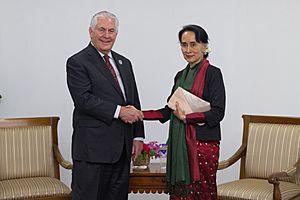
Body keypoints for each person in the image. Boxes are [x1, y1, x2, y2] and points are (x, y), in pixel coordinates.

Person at [66, 11, 144, 200]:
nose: (106, 35)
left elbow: (133, 101)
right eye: (101, 29)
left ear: (116, 34)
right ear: (91, 31)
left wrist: (138, 135)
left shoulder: (124, 63)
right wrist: (119, 112)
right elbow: (83, 100)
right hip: (92, 152)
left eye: (111, 30)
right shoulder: (77, 62)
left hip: (122, 151)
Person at [143, 25, 226, 200]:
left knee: (202, 192)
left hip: (203, 145)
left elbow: (218, 113)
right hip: (180, 144)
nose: (188, 50)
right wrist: (140, 114)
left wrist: (187, 118)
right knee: (182, 195)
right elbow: (169, 110)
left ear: (204, 46)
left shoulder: (213, 74)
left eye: (193, 44)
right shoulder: (180, 76)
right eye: (183, 45)